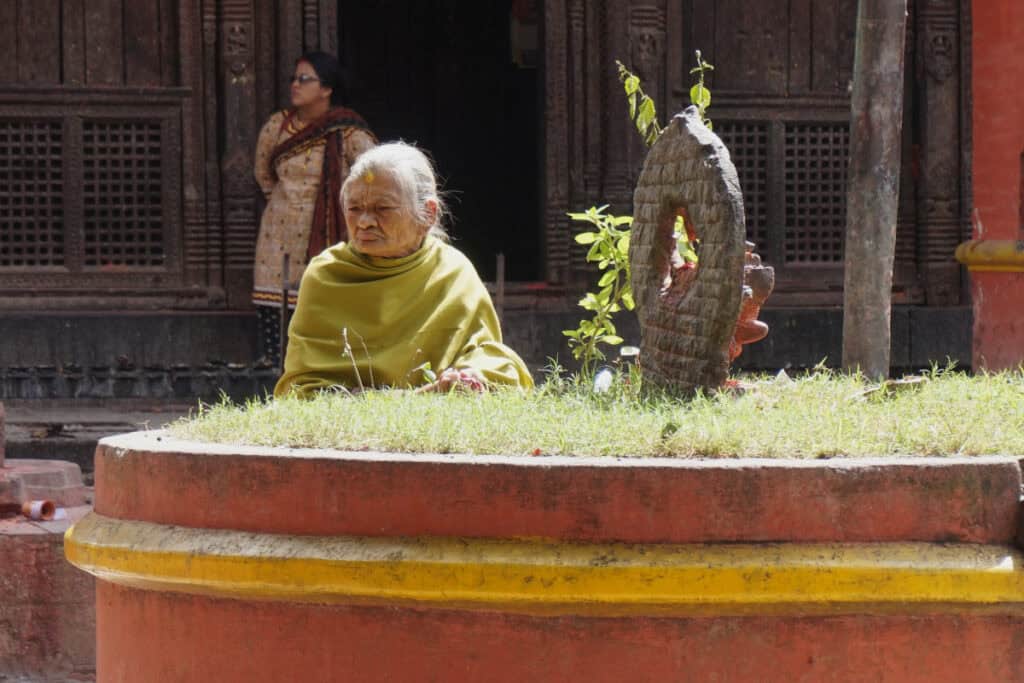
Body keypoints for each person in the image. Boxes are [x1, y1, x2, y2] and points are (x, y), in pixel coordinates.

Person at [274, 142, 534, 397]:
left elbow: (484, 356)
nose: (364, 222)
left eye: (382, 209)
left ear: (428, 214)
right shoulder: (325, 275)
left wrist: (466, 378)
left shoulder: (453, 272)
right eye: (354, 209)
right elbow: (302, 386)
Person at [253, 51, 376, 366]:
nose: (295, 85)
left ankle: (322, 366)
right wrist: (283, 202)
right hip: (278, 226)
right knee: (273, 296)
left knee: (323, 294)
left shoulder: (347, 130)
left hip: (328, 229)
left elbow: (372, 174)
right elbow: (263, 174)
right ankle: (277, 366)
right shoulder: (277, 126)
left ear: (326, 89)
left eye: (305, 79)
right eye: (294, 78)